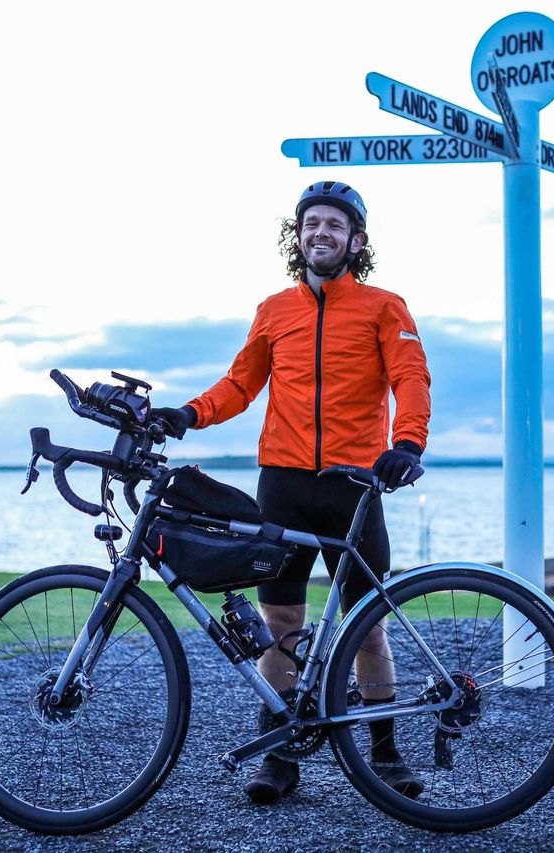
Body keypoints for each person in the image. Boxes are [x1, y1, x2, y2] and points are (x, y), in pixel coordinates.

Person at [152, 181, 432, 805]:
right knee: (281, 619)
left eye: (335, 224)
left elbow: (410, 377)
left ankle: (384, 755)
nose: (321, 232)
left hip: (353, 484)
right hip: (281, 482)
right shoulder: (275, 309)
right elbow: (240, 384)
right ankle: (279, 752)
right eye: (312, 223)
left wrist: (407, 443)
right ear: (298, 236)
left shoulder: (385, 306)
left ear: (356, 241)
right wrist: (188, 416)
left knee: (367, 627)